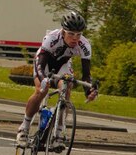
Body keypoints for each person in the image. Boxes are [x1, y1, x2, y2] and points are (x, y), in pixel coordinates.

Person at [16, 11, 98, 146]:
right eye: (71, 34)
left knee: (66, 88)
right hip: (45, 63)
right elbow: (40, 65)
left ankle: (58, 132)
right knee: (42, 90)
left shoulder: (85, 45)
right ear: (63, 31)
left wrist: (89, 91)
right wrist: (43, 80)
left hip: (63, 64)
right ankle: (24, 127)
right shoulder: (52, 38)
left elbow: (86, 75)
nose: (75, 38)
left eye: (78, 34)